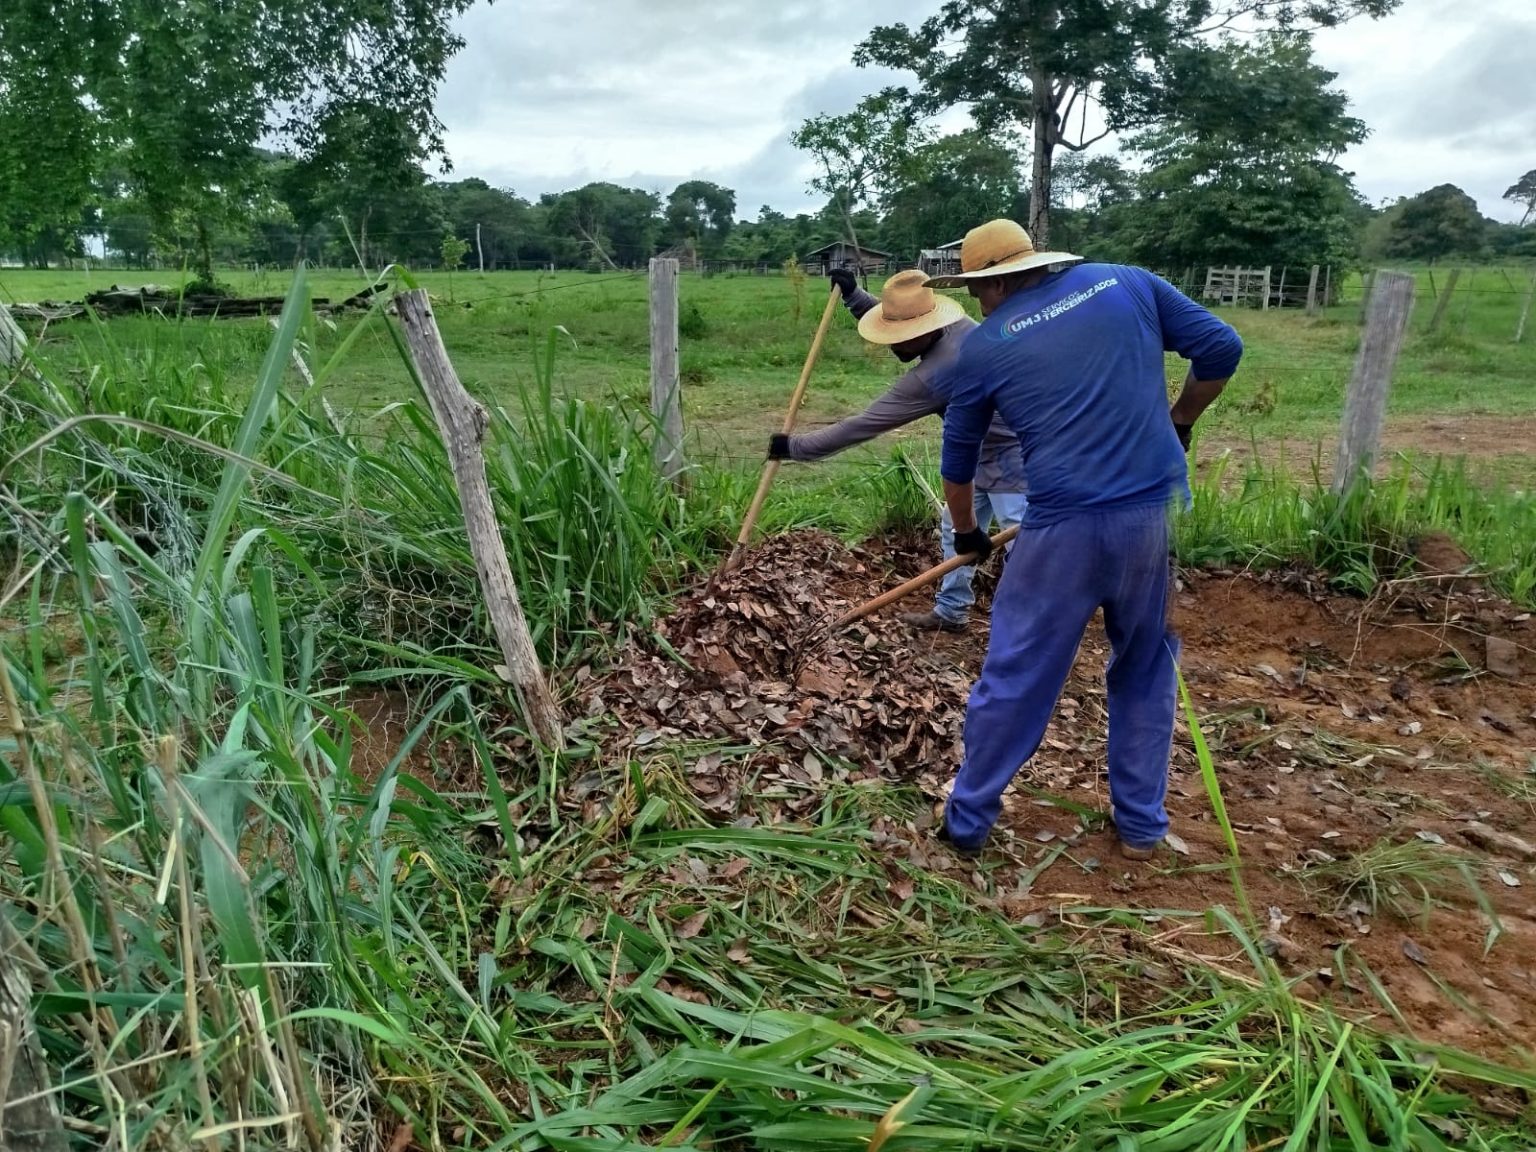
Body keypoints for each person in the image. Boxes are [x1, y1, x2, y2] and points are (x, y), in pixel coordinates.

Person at [923, 219, 1243, 861]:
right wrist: (1180, 419)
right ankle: (1142, 826)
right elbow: (1221, 348)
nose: (980, 302)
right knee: (1146, 665)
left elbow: (958, 463)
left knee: (1018, 671)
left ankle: (967, 823)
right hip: (1150, 520)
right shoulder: (1127, 283)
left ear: (996, 285)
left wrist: (967, 532)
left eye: (978, 289)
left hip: (1062, 530)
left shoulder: (984, 347)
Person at [767, 265, 1027, 632]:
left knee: (1026, 545)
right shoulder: (952, 325)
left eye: (902, 338)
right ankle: (952, 611)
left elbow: (862, 425)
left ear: (925, 330)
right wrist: (855, 297)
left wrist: (794, 447)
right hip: (973, 456)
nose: (894, 346)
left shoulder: (936, 373)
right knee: (956, 528)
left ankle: (1038, 628)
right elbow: (901, 320)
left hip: (1013, 456)